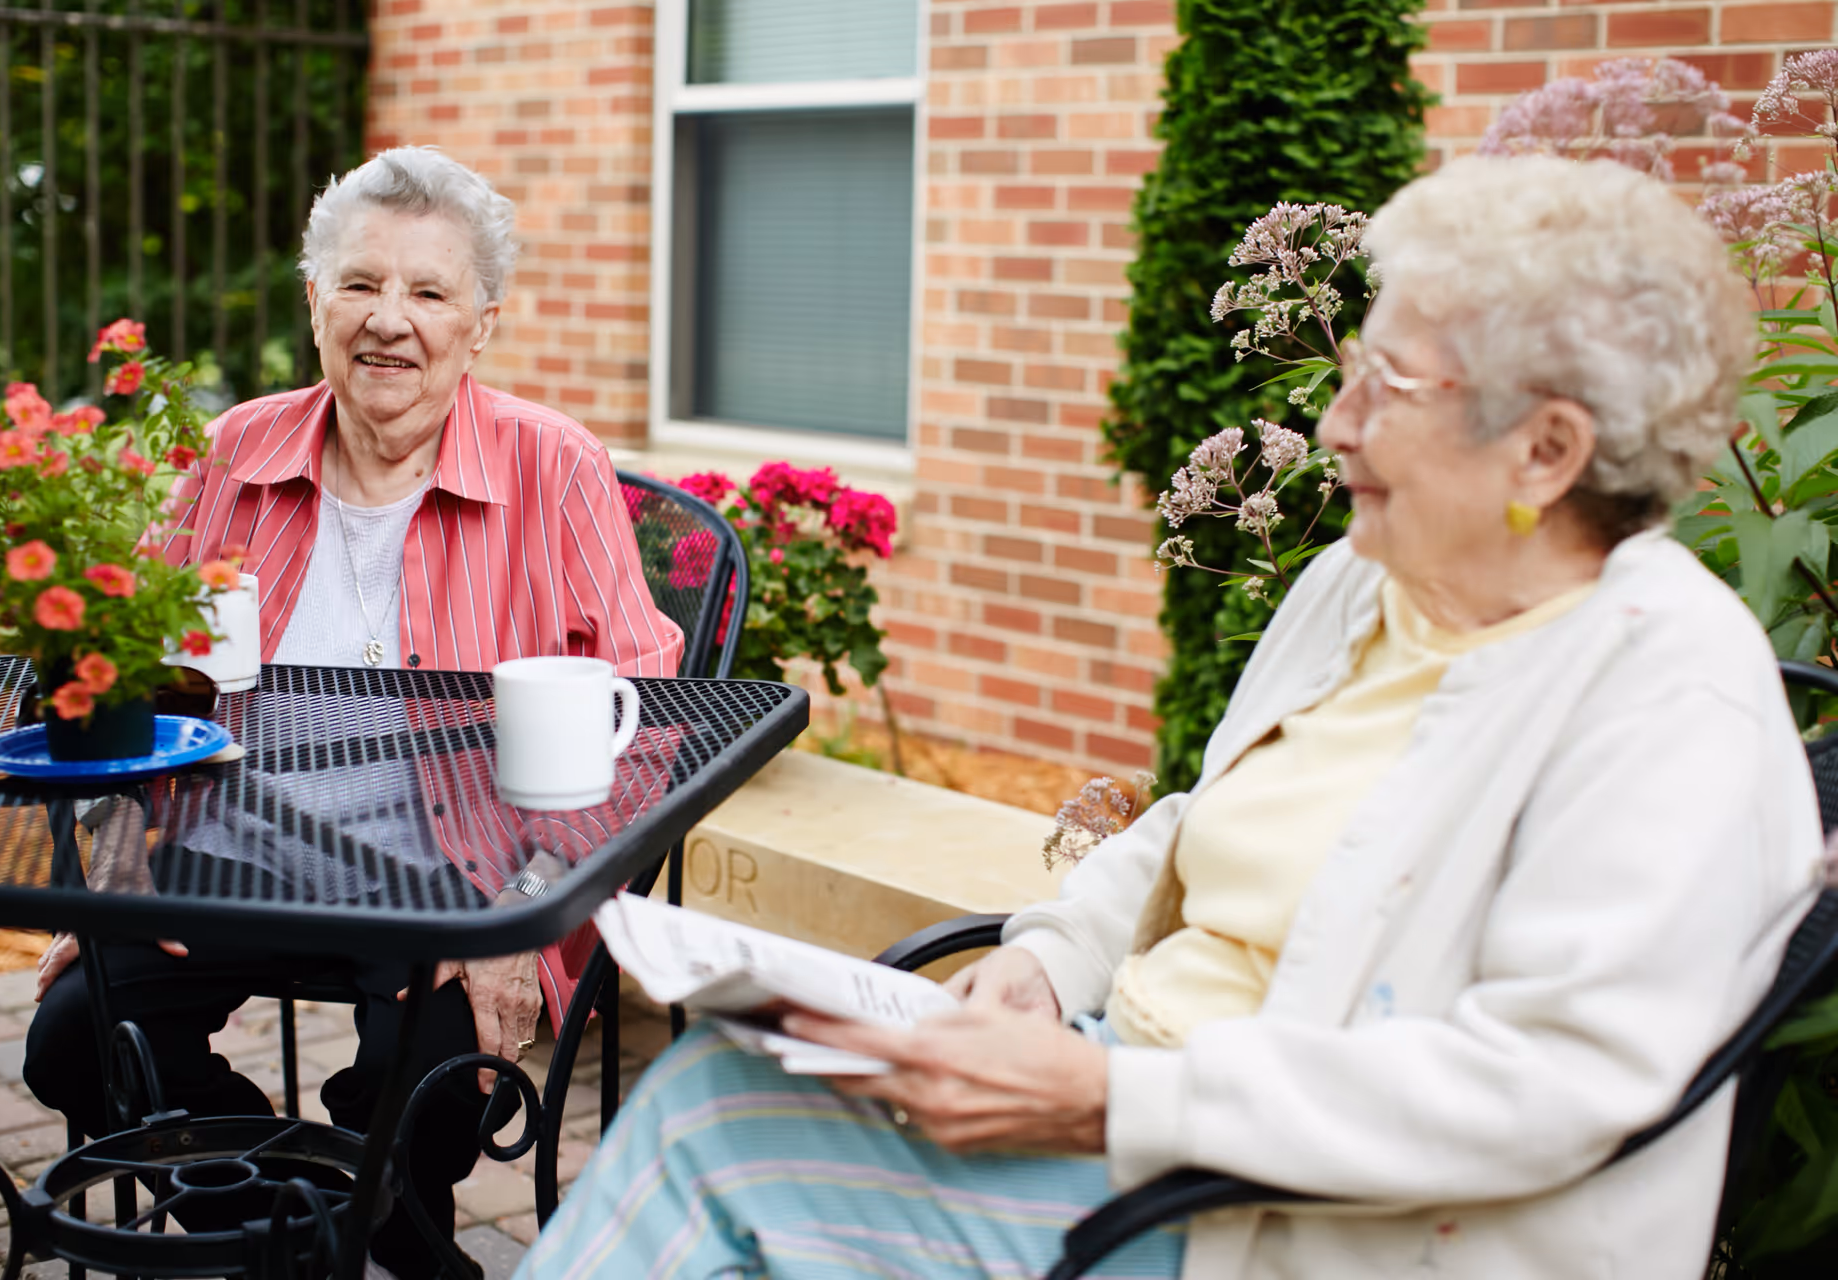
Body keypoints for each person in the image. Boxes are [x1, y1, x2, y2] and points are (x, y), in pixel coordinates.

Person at [519, 154, 1826, 1280]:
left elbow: (1547, 1084)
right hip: (1137, 1102)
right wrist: (1050, 961)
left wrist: (1114, 1097)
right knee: (749, 1088)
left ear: (1547, 451)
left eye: (1388, 388)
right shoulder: (1365, 584)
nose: (1334, 423)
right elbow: (1208, 826)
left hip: (1298, 1221)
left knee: (711, 1131)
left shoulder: (1671, 697)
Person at [22, 146, 683, 1280]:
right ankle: (289, 1235)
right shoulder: (237, 450)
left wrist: (521, 909)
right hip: (234, 849)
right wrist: (120, 850)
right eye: (361, 283)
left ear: (480, 323)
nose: (391, 320)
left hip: (451, 877)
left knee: (430, 1086)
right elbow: (132, 670)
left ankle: (379, 1234)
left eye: (429, 292)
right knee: (74, 1038)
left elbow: (650, 724)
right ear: (314, 297)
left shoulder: (553, 466)